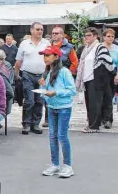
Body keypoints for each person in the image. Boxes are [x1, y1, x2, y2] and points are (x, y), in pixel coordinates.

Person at [38, 46, 76, 178]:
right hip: (52, 108)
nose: (45, 58)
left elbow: (72, 90)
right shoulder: (48, 72)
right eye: (44, 55)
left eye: (47, 55)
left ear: (56, 57)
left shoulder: (64, 72)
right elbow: (45, 92)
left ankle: (67, 165)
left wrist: (56, 93)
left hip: (64, 108)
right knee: (52, 136)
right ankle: (55, 164)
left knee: (62, 136)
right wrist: (42, 86)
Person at [76, 27, 115, 133]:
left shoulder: (100, 47)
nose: (86, 37)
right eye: (85, 35)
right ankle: (91, 124)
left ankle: (94, 126)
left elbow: (109, 64)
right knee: (89, 103)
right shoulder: (86, 48)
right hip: (87, 79)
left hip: (97, 80)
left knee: (95, 103)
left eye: (89, 35)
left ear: (95, 36)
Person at [15, 22, 50, 135]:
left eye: (41, 29)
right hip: (27, 75)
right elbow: (18, 61)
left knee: (39, 101)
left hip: (41, 75)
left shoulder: (47, 43)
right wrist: (16, 74)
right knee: (29, 101)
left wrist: (48, 75)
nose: (40, 31)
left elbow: (51, 59)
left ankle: (36, 124)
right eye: (38, 29)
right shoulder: (24, 44)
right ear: (31, 30)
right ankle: (26, 124)